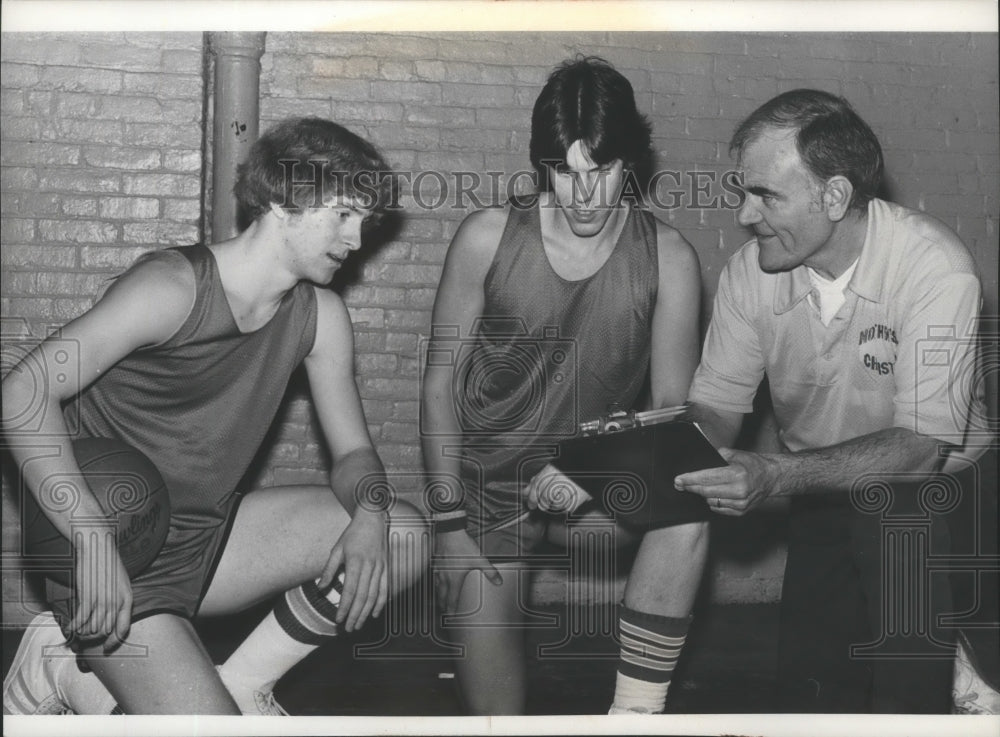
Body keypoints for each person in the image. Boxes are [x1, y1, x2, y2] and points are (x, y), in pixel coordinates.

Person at [2, 116, 426, 715]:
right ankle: (57, 662)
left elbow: (354, 453)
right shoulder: (170, 288)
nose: (357, 241)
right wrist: (91, 539)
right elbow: (22, 391)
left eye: (366, 221)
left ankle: (245, 682)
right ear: (284, 201)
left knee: (403, 534)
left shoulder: (321, 317)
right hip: (109, 548)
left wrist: (371, 511)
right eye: (344, 215)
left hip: (208, 544)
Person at [672, 89, 994, 713]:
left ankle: (953, 672)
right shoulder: (750, 274)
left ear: (835, 197)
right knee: (808, 695)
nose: (743, 214)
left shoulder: (937, 269)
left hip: (946, 492)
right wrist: (655, 451)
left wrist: (771, 474)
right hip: (823, 486)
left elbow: (919, 450)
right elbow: (712, 408)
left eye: (765, 195)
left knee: (899, 554)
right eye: (743, 191)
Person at [421, 56, 705, 715]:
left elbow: (672, 417)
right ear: (541, 164)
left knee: (690, 504)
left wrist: (596, 469)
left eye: (600, 172)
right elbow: (440, 385)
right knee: (499, 719)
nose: (584, 196)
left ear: (629, 162)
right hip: (488, 493)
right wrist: (447, 526)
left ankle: (634, 712)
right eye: (564, 172)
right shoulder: (485, 238)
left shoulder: (670, 257)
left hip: (595, 491)